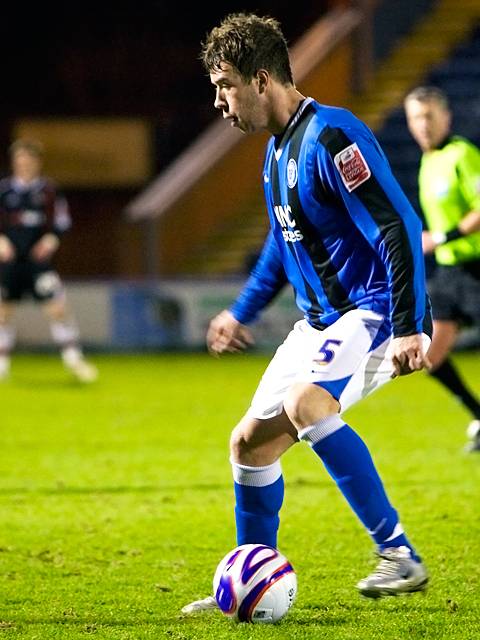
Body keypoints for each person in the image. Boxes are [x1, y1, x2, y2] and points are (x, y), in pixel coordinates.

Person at [182, 13, 432, 612]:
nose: (219, 102)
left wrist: (407, 326)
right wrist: (240, 311)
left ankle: (399, 556)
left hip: (369, 313)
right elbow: (281, 242)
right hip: (318, 323)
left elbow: (399, 224)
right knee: (248, 445)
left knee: (306, 403)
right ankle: (247, 580)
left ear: (261, 79)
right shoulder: (276, 153)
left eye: (225, 86)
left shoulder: (331, 137)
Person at [404, 86, 480, 452]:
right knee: (430, 357)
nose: (423, 125)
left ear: (446, 118)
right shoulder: (427, 162)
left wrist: (441, 238)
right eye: (416, 118)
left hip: (476, 267)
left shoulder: (462, 154)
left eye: (429, 116)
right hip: (450, 274)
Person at [0, 139, 98, 383]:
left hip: (38, 264)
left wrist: (51, 239)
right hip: (9, 262)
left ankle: (74, 360)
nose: (24, 164)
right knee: (3, 311)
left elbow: (61, 222)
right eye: (20, 159)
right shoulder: (4, 190)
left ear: (37, 162)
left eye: (28, 160)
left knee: (57, 308)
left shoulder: (48, 190)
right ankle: (1, 366)